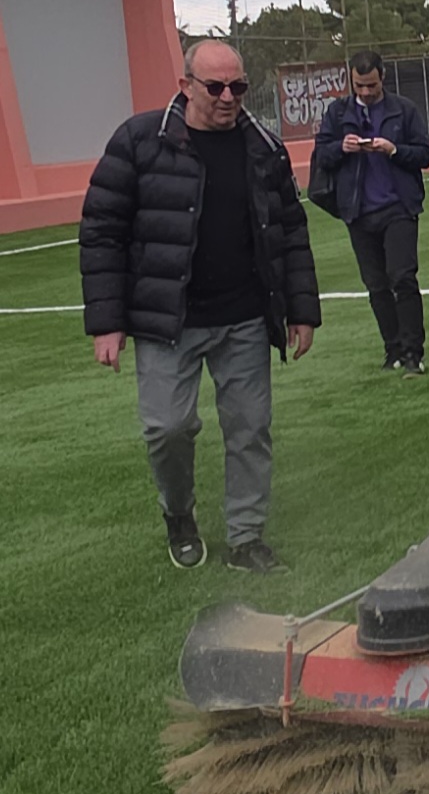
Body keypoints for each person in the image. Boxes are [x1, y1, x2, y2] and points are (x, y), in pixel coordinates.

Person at [79, 40, 320, 573]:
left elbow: (290, 232)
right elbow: (102, 232)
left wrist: (301, 308)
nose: (229, 97)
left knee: (250, 428)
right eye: (216, 87)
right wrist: (107, 322)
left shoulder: (263, 146)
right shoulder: (140, 142)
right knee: (167, 428)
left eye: (238, 86)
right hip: (169, 320)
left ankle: (246, 537)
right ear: (186, 85)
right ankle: (179, 514)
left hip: (245, 318)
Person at [313, 49, 429, 375]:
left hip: (398, 207)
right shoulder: (338, 114)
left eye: (371, 85)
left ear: (383, 78)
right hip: (357, 211)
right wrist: (341, 147)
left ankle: (413, 352)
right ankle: (392, 349)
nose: (365, 92)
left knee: (403, 279)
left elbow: (426, 154)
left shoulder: (404, 110)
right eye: (359, 86)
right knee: (376, 285)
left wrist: (393, 150)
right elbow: (321, 156)